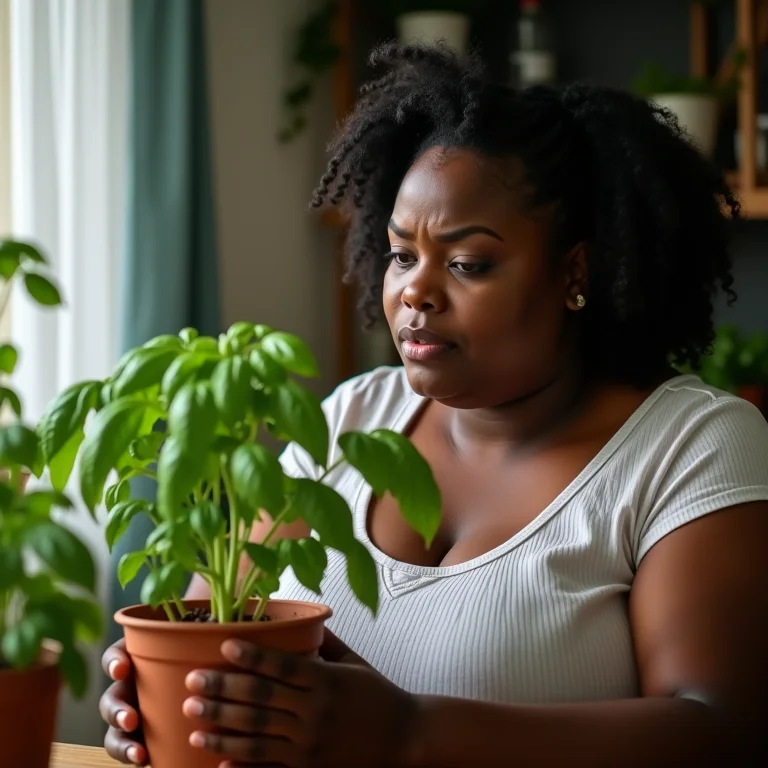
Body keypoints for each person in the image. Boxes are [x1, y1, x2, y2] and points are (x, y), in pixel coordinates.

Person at [99, 43, 768, 766]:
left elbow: (720, 732)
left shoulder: (692, 445)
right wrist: (158, 692)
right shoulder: (351, 419)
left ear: (575, 270)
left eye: (465, 263)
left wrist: (409, 734)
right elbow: (214, 616)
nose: (414, 291)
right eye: (399, 254)